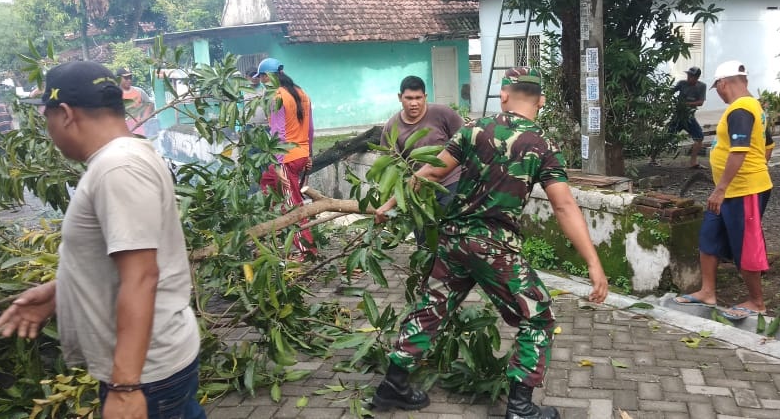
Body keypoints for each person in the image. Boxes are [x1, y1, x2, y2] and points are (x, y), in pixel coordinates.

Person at [369, 67, 608, 419]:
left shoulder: (475, 128)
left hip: (453, 240)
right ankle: (520, 408)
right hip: (494, 247)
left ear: (504, 95)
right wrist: (593, 263)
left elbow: (431, 170)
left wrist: (389, 205)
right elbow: (563, 206)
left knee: (433, 307)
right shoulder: (542, 144)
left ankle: (393, 384)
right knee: (539, 317)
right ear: (541, 101)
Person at [0, 61, 203, 419]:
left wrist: (125, 388)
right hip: (152, 367)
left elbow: (141, 276)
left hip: (145, 375)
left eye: (46, 117)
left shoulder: (117, 168)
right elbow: (127, 259)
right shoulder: (128, 155)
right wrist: (60, 292)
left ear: (65, 114)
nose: (48, 129)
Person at [674, 60, 773, 321]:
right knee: (709, 236)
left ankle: (757, 301)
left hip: (742, 190)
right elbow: (768, 145)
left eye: (717, 87)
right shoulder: (754, 107)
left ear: (723, 83)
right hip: (729, 190)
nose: (718, 92)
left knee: (745, 244)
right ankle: (708, 292)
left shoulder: (741, 109)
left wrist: (721, 188)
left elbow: (739, 151)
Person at [256, 57, 316, 259]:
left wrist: (279, 164)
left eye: (262, 78)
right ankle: (277, 226)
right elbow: (310, 128)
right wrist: (309, 154)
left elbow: (278, 133)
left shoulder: (276, 97)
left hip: (286, 158)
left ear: (267, 76)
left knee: (293, 206)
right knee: (267, 181)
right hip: (300, 154)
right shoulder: (302, 93)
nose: (261, 82)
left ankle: (307, 251)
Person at [381, 75, 463, 208]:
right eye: (409, 98)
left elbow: (466, 141)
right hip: (420, 189)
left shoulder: (443, 113)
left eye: (418, 98)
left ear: (425, 97)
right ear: (400, 97)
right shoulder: (392, 126)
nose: (414, 103)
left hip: (452, 182)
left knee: (448, 216)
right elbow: (391, 164)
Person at [664, 66, 707, 168]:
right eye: (688, 75)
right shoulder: (682, 83)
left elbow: (700, 102)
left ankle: (693, 162)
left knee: (699, 137)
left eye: (691, 76)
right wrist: (666, 101)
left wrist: (685, 104)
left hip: (689, 117)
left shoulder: (702, 86)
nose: (688, 78)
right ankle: (652, 159)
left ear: (697, 77)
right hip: (678, 115)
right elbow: (669, 93)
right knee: (665, 137)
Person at [117, 68, 155, 136]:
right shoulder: (114, 94)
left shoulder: (139, 91)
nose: (129, 80)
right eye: (126, 78)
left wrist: (144, 118)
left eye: (130, 77)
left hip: (138, 130)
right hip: (120, 132)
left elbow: (149, 104)